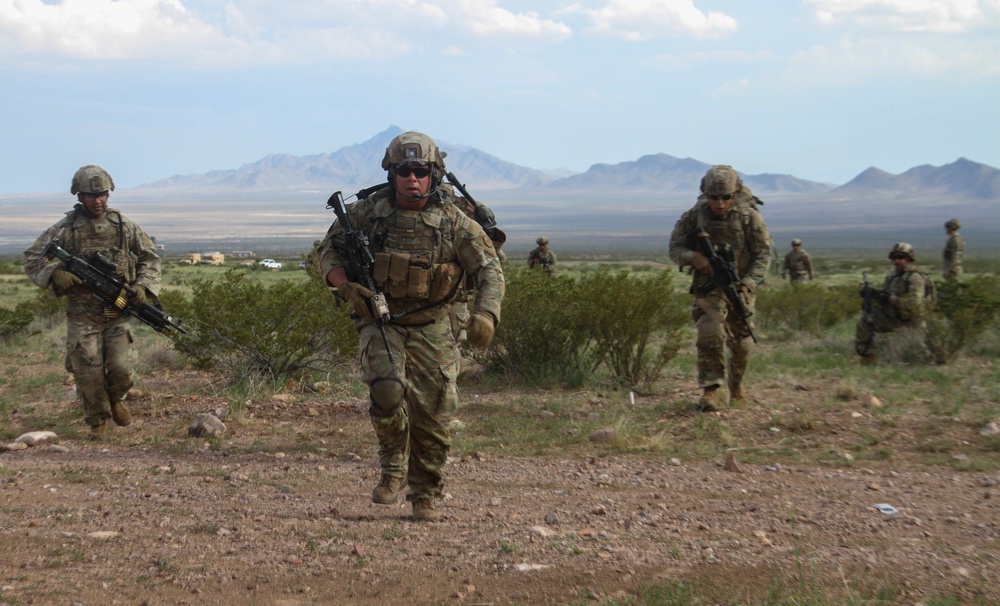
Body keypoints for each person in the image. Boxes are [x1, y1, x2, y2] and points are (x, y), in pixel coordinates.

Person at [316, 131, 504, 521]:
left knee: (433, 412)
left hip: (435, 322)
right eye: (404, 170)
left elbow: (489, 271)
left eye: (420, 170)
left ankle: (425, 492)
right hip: (382, 318)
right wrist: (345, 286)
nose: (412, 178)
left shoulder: (455, 222)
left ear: (433, 174)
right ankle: (393, 467)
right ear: (392, 173)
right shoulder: (368, 212)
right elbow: (328, 250)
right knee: (386, 389)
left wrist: (487, 314)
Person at [23, 165, 161, 439]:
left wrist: (142, 286)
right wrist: (54, 274)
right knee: (87, 370)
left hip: (118, 308)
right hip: (82, 313)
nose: (97, 201)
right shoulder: (64, 229)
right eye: (90, 195)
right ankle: (97, 420)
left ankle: (116, 398)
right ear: (78, 195)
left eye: (103, 194)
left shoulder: (124, 226)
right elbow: (32, 258)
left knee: (121, 367)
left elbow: (150, 258)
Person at [668, 165, 772, 411]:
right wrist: (694, 257)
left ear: (734, 195)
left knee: (742, 342)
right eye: (714, 197)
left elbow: (763, 254)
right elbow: (674, 248)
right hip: (709, 287)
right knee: (710, 329)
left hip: (740, 286)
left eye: (726, 197)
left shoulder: (749, 218)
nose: (720, 203)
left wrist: (748, 283)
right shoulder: (695, 215)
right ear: (706, 194)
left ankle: (736, 385)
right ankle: (710, 390)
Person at [855, 243, 932, 364]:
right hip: (893, 317)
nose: (897, 260)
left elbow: (914, 303)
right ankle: (868, 357)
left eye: (901, 257)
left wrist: (890, 299)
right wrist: (873, 294)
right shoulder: (892, 276)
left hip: (910, 322)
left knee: (917, 358)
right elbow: (885, 295)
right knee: (865, 318)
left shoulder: (915, 277)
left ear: (908, 258)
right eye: (894, 257)